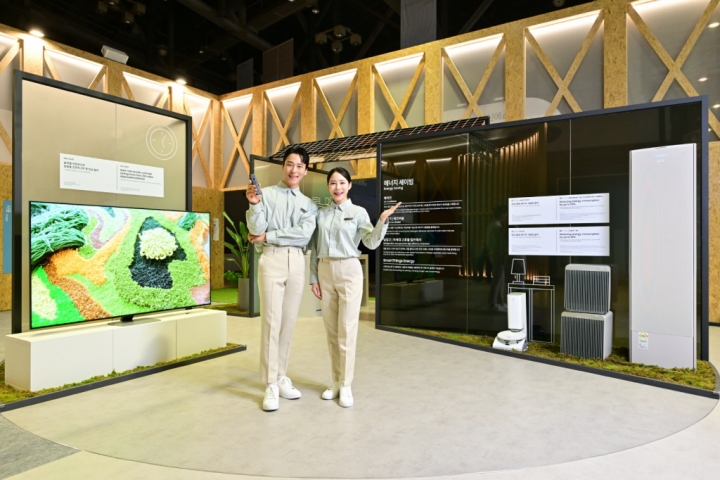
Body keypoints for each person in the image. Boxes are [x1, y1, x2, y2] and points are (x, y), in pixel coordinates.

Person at [309, 167, 401, 408]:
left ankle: (346, 385)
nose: (337, 187)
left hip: (349, 271)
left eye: (342, 182)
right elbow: (315, 247)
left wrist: (382, 221)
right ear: (328, 187)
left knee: (347, 330)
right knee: (331, 331)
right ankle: (335, 381)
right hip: (325, 270)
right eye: (333, 183)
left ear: (349, 185)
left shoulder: (358, 213)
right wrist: (313, 278)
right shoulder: (322, 214)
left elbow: (370, 242)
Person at [246, 146, 318, 412]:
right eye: (290, 164)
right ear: (283, 166)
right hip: (272, 259)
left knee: (288, 322)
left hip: (297, 261)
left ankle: (281, 376)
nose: (294, 170)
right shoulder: (265, 195)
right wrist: (254, 205)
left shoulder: (309, 204)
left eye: (299, 166)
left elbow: (303, 235)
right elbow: (256, 229)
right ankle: (270, 384)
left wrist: (269, 235)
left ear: (305, 170)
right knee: (271, 321)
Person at [487, 205, 508, 312]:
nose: (506, 216)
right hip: (498, 255)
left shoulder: (492, 225)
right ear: (502, 214)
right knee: (497, 280)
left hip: (494, 254)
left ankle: (500, 302)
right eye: (505, 214)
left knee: (500, 279)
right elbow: (501, 244)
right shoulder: (497, 228)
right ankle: (493, 303)